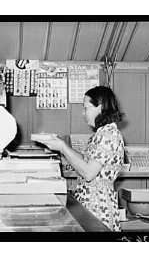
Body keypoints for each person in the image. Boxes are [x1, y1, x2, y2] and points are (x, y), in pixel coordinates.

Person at [38, 86, 124, 231]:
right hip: (91, 203)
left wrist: (63, 148)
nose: (83, 114)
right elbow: (86, 161)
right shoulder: (103, 132)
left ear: (100, 107)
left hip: (98, 207)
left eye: (86, 108)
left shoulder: (108, 135)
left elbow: (89, 173)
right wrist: (61, 146)